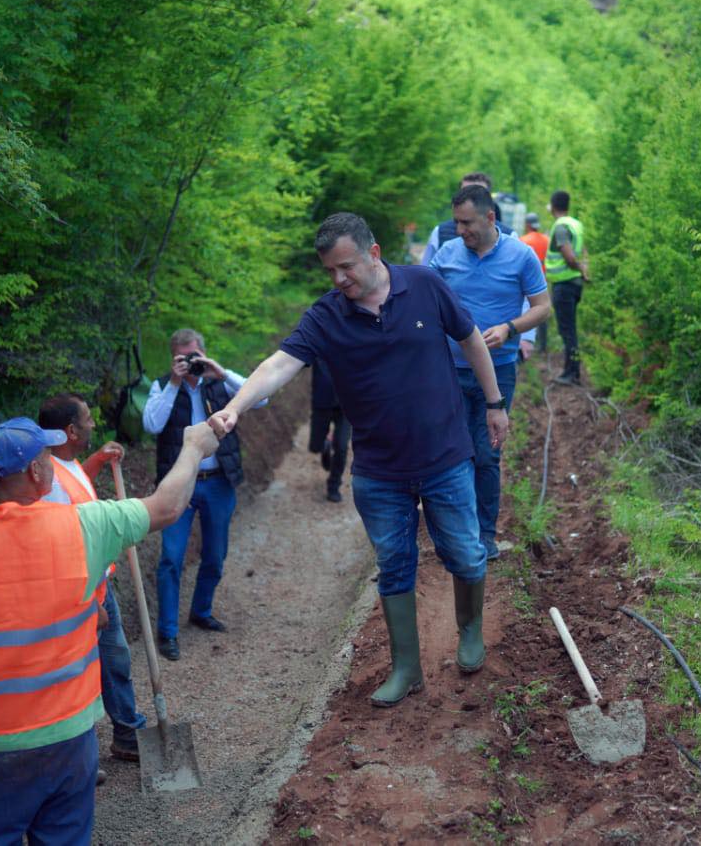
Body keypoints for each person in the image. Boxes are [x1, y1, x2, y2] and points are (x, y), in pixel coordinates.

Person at [208, 212, 509, 708]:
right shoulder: (327, 316)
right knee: (394, 565)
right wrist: (235, 406)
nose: (339, 279)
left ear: (373, 253)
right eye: (330, 271)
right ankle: (406, 669)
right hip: (379, 470)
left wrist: (495, 404)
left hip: (445, 458)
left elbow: (471, 338)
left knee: (466, 551)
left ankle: (470, 630)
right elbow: (280, 364)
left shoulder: (425, 285)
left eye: (346, 267)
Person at [0, 416, 222, 845]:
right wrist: (194, 447)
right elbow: (167, 506)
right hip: (67, 744)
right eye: (49, 457)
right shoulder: (85, 527)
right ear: (36, 472)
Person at [429, 185, 550, 561]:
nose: (461, 230)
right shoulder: (446, 256)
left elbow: (543, 307)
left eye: (467, 223)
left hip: (497, 373)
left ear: (490, 218)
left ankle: (485, 535)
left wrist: (510, 328)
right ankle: (457, 534)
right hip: (449, 371)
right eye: (457, 223)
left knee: (485, 455)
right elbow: (421, 300)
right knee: (452, 455)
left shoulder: (521, 256)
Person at [37, 393, 147, 769]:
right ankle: (75, 754)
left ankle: (128, 735)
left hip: (98, 586)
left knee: (115, 662)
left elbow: (79, 495)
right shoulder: (49, 480)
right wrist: (90, 603)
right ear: (70, 430)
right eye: (87, 420)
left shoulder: (65, 465)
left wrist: (97, 461)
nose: (93, 424)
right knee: (78, 674)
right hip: (80, 592)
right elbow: (63, 544)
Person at [142, 328, 261, 660]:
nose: (190, 363)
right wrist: (175, 383)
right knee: (170, 558)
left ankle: (201, 610)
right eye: (183, 358)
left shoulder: (218, 381)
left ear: (203, 353)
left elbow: (261, 397)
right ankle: (167, 631)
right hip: (178, 485)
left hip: (217, 480)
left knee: (215, 554)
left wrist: (219, 372)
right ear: (173, 358)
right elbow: (152, 425)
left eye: (194, 356)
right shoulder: (163, 385)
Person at [420, 172, 514, 266]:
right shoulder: (441, 235)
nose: (460, 230)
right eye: (465, 193)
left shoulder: (511, 239)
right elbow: (425, 273)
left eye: (478, 195)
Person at [545, 190, 589, 385]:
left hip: (564, 285)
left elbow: (569, 256)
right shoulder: (576, 224)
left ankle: (571, 373)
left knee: (567, 330)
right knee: (569, 328)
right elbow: (584, 251)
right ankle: (572, 371)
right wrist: (585, 272)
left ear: (553, 206)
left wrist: (578, 267)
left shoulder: (561, 226)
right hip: (575, 284)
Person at [307, 358, 351, 502]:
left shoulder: (354, 338)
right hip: (322, 401)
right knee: (316, 446)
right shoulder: (318, 338)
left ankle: (334, 485)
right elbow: (294, 360)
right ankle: (325, 445)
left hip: (346, 404)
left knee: (342, 446)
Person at [518, 212, 550, 355]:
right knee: (542, 310)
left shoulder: (523, 240)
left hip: (527, 282)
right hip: (543, 279)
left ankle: (525, 343)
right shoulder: (547, 239)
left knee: (528, 310)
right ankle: (543, 345)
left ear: (527, 225)